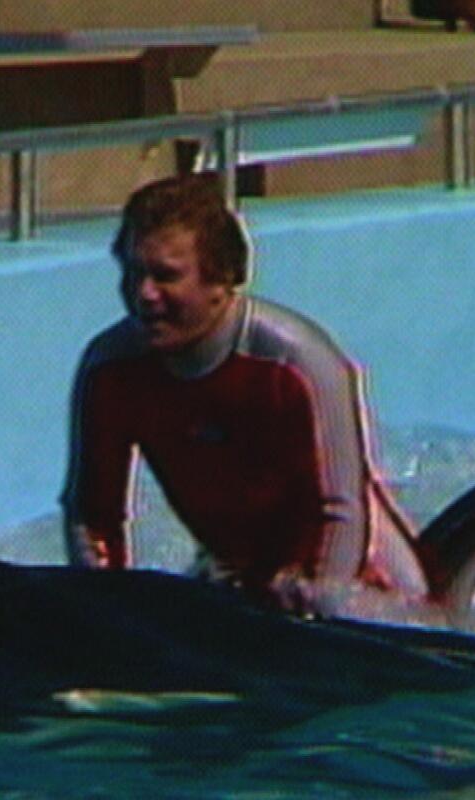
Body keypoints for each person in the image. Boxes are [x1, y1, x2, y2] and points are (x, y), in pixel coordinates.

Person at [60, 174, 421, 617]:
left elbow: (339, 509)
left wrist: (321, 605)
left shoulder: (296, 362)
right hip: (243, 585)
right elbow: (92, 513)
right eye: (134, 273)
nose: (143, 295)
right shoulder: (110, 369)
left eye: (165, 276)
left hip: (370, 587)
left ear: (221, 281)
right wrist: (111, 611)